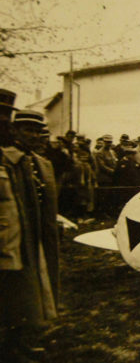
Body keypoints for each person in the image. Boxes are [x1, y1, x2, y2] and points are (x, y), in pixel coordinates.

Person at [0, 108, 60, 362]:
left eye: (38, 131)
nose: (34, 136)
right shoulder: (8, 161)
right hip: (11, 238)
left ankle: (20, 341)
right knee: (10, 292)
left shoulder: (40, 163)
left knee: (27, 292)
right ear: (15, 131)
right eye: (28, 130)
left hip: (35, 238)